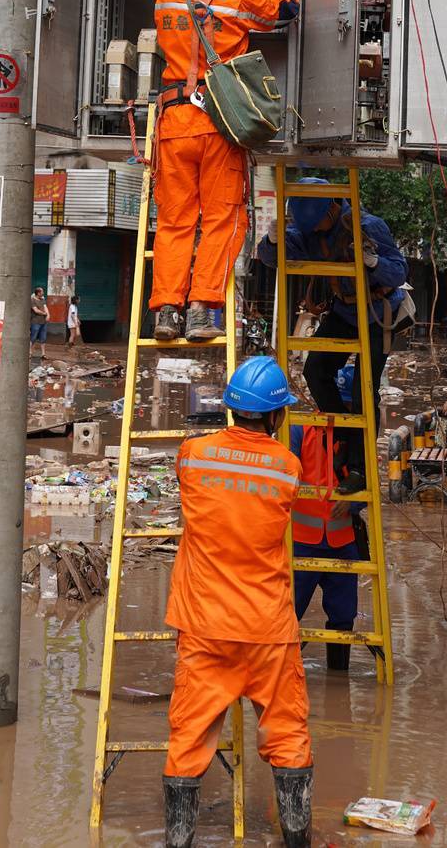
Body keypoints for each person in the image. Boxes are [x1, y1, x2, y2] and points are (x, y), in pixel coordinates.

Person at [163, 355, 312, 848]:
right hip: (268, 629)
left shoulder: (192, 454)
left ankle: (178, 839)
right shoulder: (288, 468)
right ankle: (297, 838)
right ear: (275, 416)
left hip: (205, 626)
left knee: (188, 740)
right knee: (288, 736)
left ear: (230, 408)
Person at [150, 0, 300, 345]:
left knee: (176, 221)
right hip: (219, 122)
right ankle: (201, 310)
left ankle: (165, 311)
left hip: (173, 121)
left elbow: (205, 9)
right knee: (222, 217)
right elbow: (284, 11)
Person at [257, 179, 409, 492]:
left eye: (316, 224)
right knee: (315, 369)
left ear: (333, 208)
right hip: (344, 312)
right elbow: (273, 259)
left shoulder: (370, 227)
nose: (312, 231)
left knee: (363, 390)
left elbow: (399, 272)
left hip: (377, 314)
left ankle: (359, 469)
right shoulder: (307, 231)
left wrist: (374, 262)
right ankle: (344, 438)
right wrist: (271, 242)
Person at [289, 421, 358, 672]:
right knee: (289, 612)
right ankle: (281, 670)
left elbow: (367, 478)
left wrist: (353, 504)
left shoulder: (356, 432)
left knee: (344, 615)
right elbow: (287, 474)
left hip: (342, 542)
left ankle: (339, 676)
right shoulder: (299, 430)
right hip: (302, 541)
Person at [30, 285, 49, 357]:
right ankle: (30, 352)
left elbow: (45, 307)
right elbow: (35, 310)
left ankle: (43, 354)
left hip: (43, 322)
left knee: (43, 338)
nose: (43, 293)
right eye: (42, 292)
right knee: (33, 337)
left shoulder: (42, 299)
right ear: (38, 293)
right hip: (35, 322)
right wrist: (44, 313)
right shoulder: (32, 300)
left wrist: (48, 314)